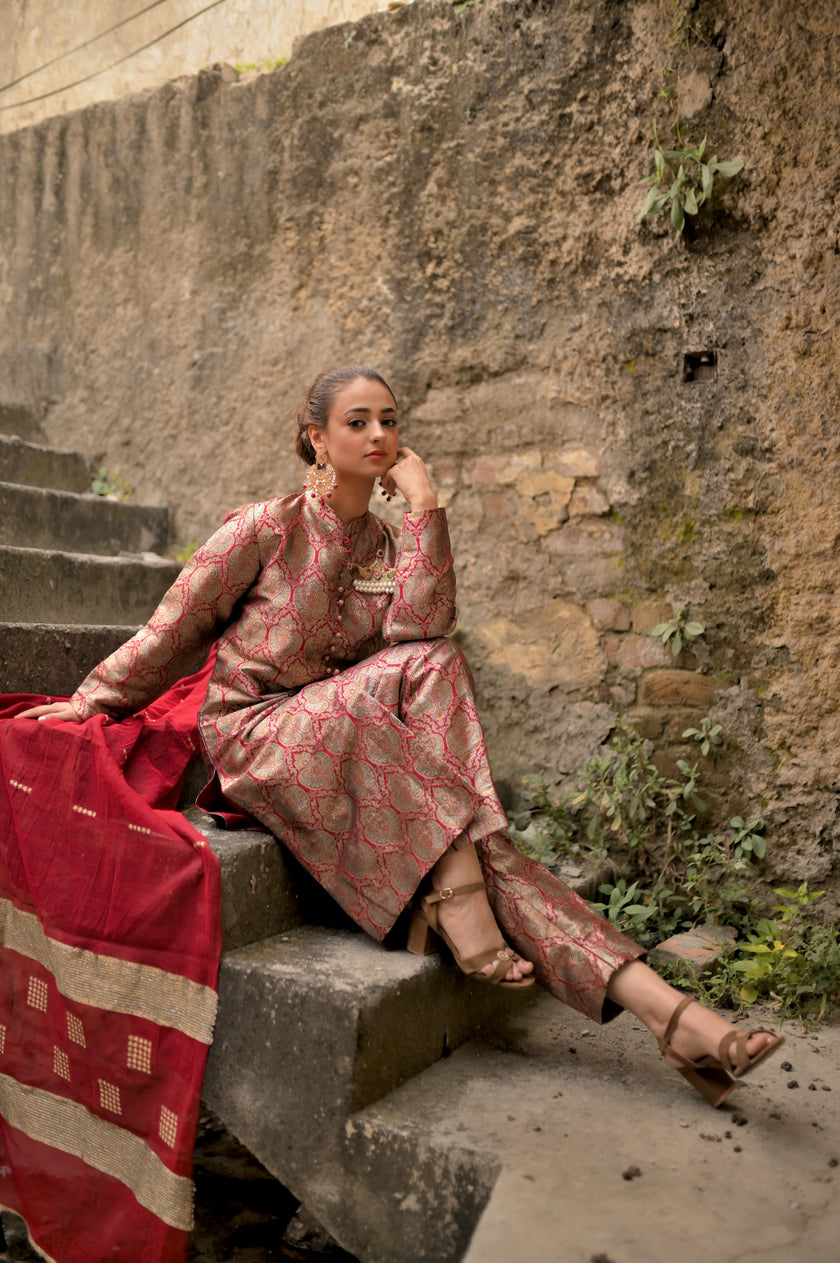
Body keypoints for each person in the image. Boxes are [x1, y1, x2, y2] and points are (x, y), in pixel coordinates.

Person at [19, 363, 783, 1107]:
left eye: (390, 421)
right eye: (357, 422)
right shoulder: (266, 527)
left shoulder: (390, 544)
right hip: (255, 736)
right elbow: (172, 629)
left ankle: (673, 1018)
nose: (379, 433)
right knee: (429, 704)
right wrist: (91, 700)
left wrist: (424, 504)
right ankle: (466, 896)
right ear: (317, 438)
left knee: (462, 751)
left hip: (354, 741)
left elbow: (423, 630)